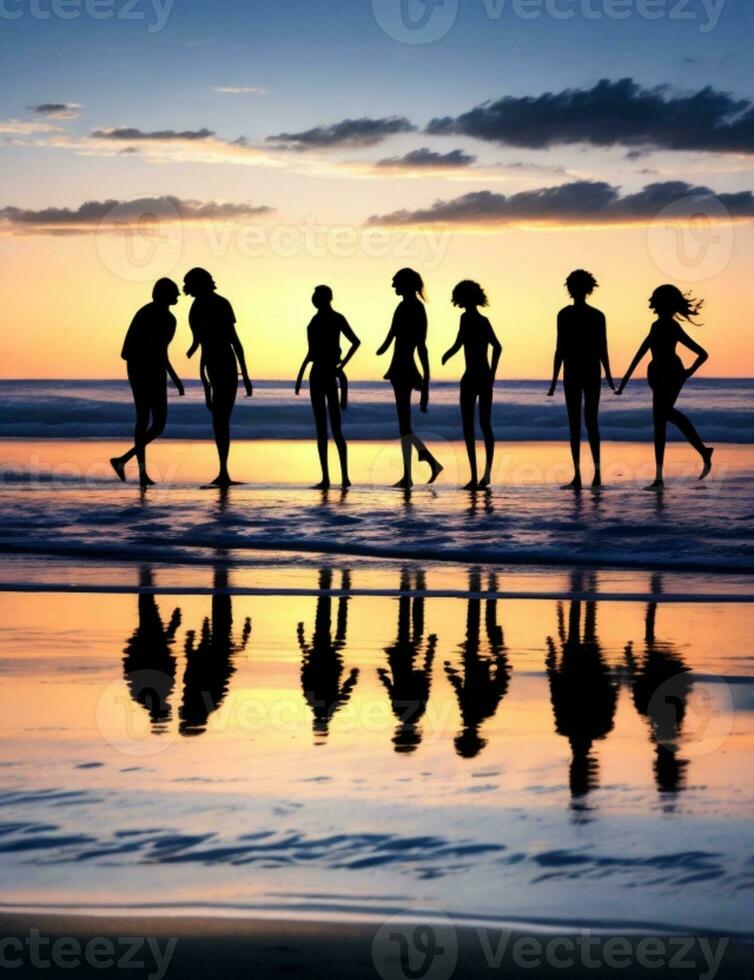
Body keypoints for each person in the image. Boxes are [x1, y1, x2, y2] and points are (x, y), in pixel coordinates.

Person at [616, 285, 713, 490]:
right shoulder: (656, 326)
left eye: (658, 301)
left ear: (666, 305)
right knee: (660, 423)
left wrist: (687, 373)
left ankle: (699, 454)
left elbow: (702, 354)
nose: (655, 305)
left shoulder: (672, 327)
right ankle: (661, 477)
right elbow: (641, 352)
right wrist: (624, 381)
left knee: (664, 416)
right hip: (657, 375)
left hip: (672, 374)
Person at [110, 278, 184, 488]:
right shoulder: (153, 314)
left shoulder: (168, 318)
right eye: (174, 292)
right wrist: (174, 377)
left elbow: (162, 350)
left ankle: (123, 461)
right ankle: (140, 472)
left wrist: (173, 376)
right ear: (164, 294)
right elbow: (151, 349)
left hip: (153, 369)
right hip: (142, 369)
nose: (178, 296)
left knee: (157, 424)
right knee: (145, 420)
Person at [183, 268, 252, 487]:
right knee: (220, 420)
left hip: (221, 365)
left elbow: (232, 341)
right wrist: (205, 381)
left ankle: (223, 472)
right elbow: (215, 344)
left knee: (220, 420)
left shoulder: (212, 305)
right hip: (218, 365)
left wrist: (246, 374)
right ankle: (223, 472)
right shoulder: (209, 305)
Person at [547, 270, 615, 490]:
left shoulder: (570, 315)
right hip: (584, 371)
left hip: (579, 371)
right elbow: (562, 349)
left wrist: (610, 375)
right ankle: (589, 475)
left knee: (580, 424)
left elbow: (564, 348)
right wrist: (554, 381)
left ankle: (588, 475)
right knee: (585, 423)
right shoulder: (594, 315)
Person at [377, 268, 443, 489]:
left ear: (406, 285)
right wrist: (382, 348)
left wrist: (426, 384)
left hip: (403, 369)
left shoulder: (413, 308)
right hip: (400, 367)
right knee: (404, 425)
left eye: (396, 283)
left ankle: (424, 464)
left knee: (404, 425)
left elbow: (420, 346)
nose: (393, 287)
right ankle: (414, 469)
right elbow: (391, 335)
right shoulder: (407, 307)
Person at [295, 285, 361, 489]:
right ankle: (328, 478)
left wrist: (341, 366)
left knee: (333, 429)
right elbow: (310, 353)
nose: (316, 300)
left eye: (318, 297)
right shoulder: (315, 322)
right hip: (319, 374)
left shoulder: (334, 319)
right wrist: (299, 375)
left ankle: (342, 477)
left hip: (327, 374)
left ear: (326, 298)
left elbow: (355, 342)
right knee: (323, 429)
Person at [442, 280, 502, 489]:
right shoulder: (483, 320)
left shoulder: (467, 318)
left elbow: (461, 343)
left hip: (472, 378)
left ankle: (477, 476)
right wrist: (492, 373)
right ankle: (483, 476)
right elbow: (497, 347)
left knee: (471, 427)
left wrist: (448, 354)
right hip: (484, 377)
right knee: (484, 425)